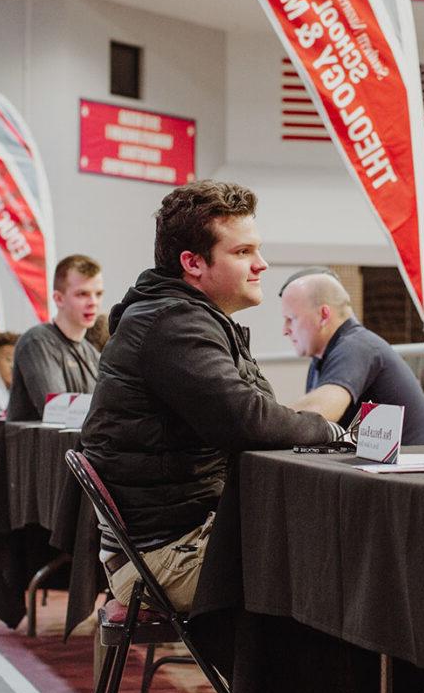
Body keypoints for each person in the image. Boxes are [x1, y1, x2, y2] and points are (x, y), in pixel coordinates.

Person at [82, 179, 340, 612]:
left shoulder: (186, 317)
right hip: (163, 554)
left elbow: (257, 412)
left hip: (178, 536)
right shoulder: (173, 324)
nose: (261, 264)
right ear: (193, 263)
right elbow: (248, 419)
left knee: (336, 552)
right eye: (242, 253)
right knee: (339, 571)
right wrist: (331, 432)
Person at [279, 268, 424, 445]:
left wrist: (262, 419)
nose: (285, 330)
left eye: (291, 318)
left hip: (404, 469)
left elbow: (321, 411)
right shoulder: (323, 357)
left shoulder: (357, 346)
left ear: (324, 315)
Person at [6, 255, 103, 421]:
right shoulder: (36, 342)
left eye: (98, 294)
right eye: (82, 294)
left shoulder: (92, 353)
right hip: (41, 446)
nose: (93, 302)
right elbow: (58, 413)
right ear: (58, 298)